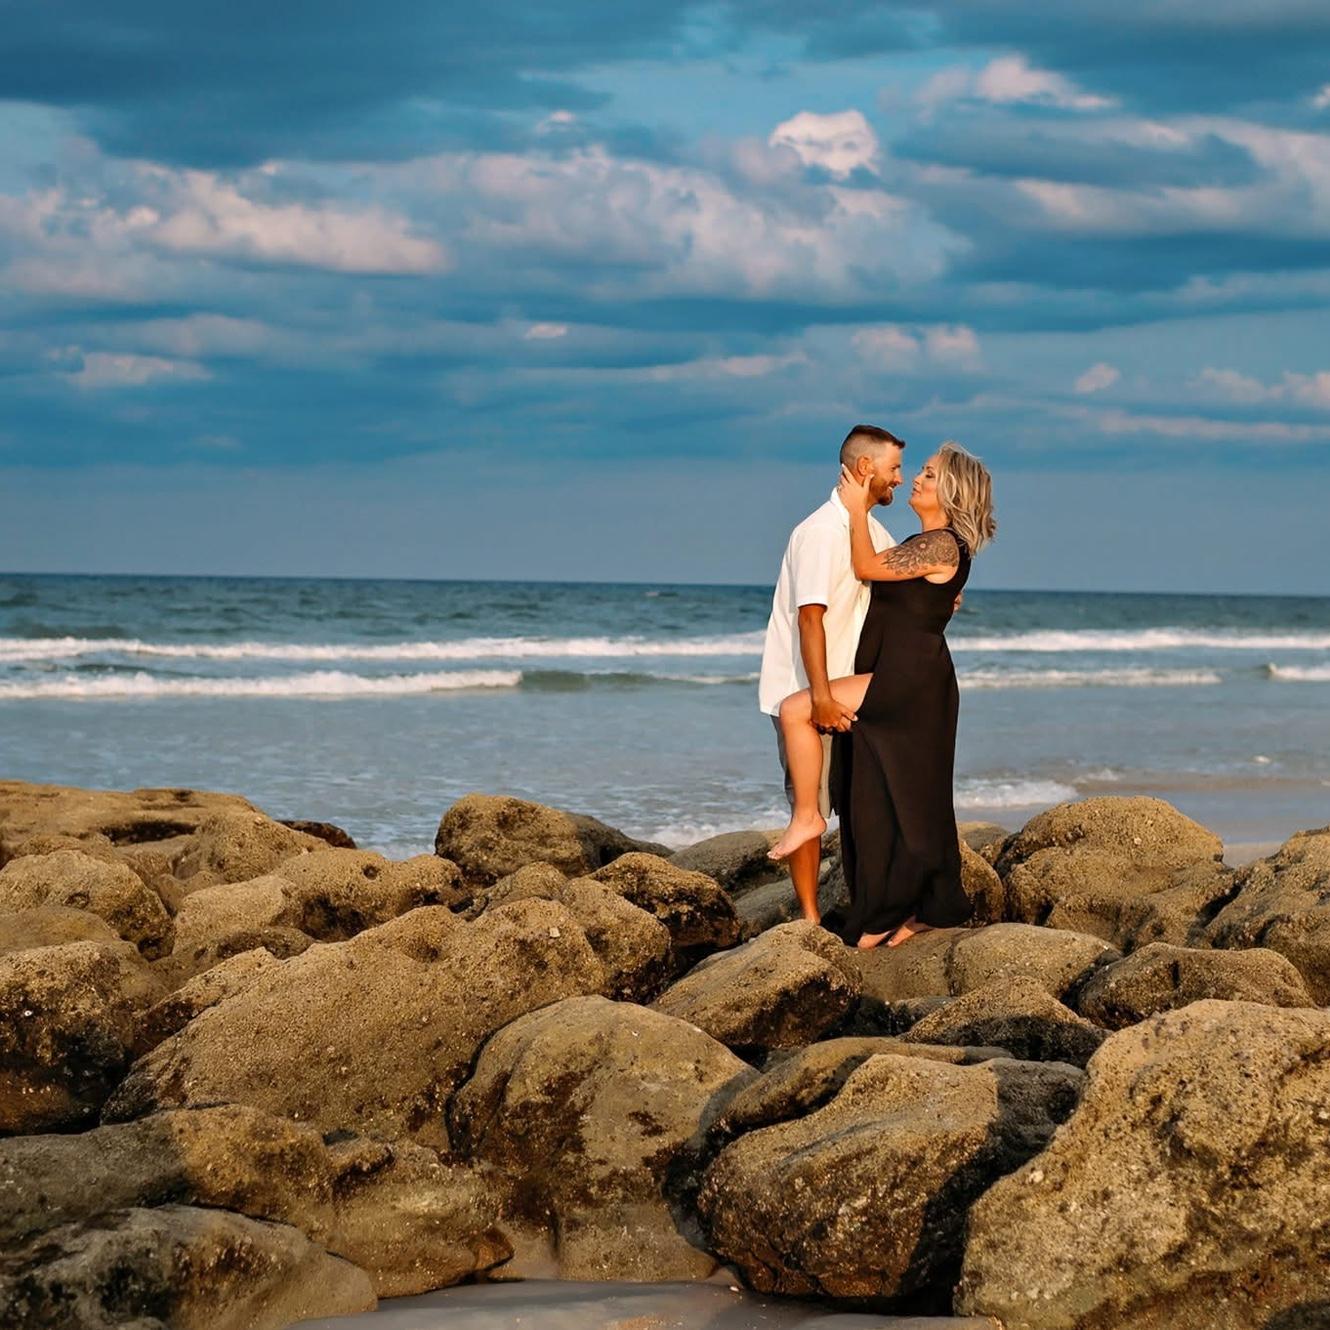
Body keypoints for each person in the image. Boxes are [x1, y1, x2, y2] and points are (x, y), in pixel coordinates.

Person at [768, 442, 996, 948]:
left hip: (909, 679)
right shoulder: (928, 543)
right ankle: (902, 911)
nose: (915, 478)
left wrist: (853, 511)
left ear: (951, 491)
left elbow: (867, 567)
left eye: (929, 474)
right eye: (919, 471)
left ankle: (807, 817)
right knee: (891, 801)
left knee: (796, 709)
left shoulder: (942, 544)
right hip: (904, 673)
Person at [757, 424, 903, 924]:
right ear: (865, 468)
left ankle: (866, 907)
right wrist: (818, 696)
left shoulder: (872, 530)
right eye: (893, 468)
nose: (898, 479)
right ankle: (810, 918)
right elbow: (810, 617)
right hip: (809, 691)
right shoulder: (820, 532)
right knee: (810, 810)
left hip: (851, 692)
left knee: (861, 806)